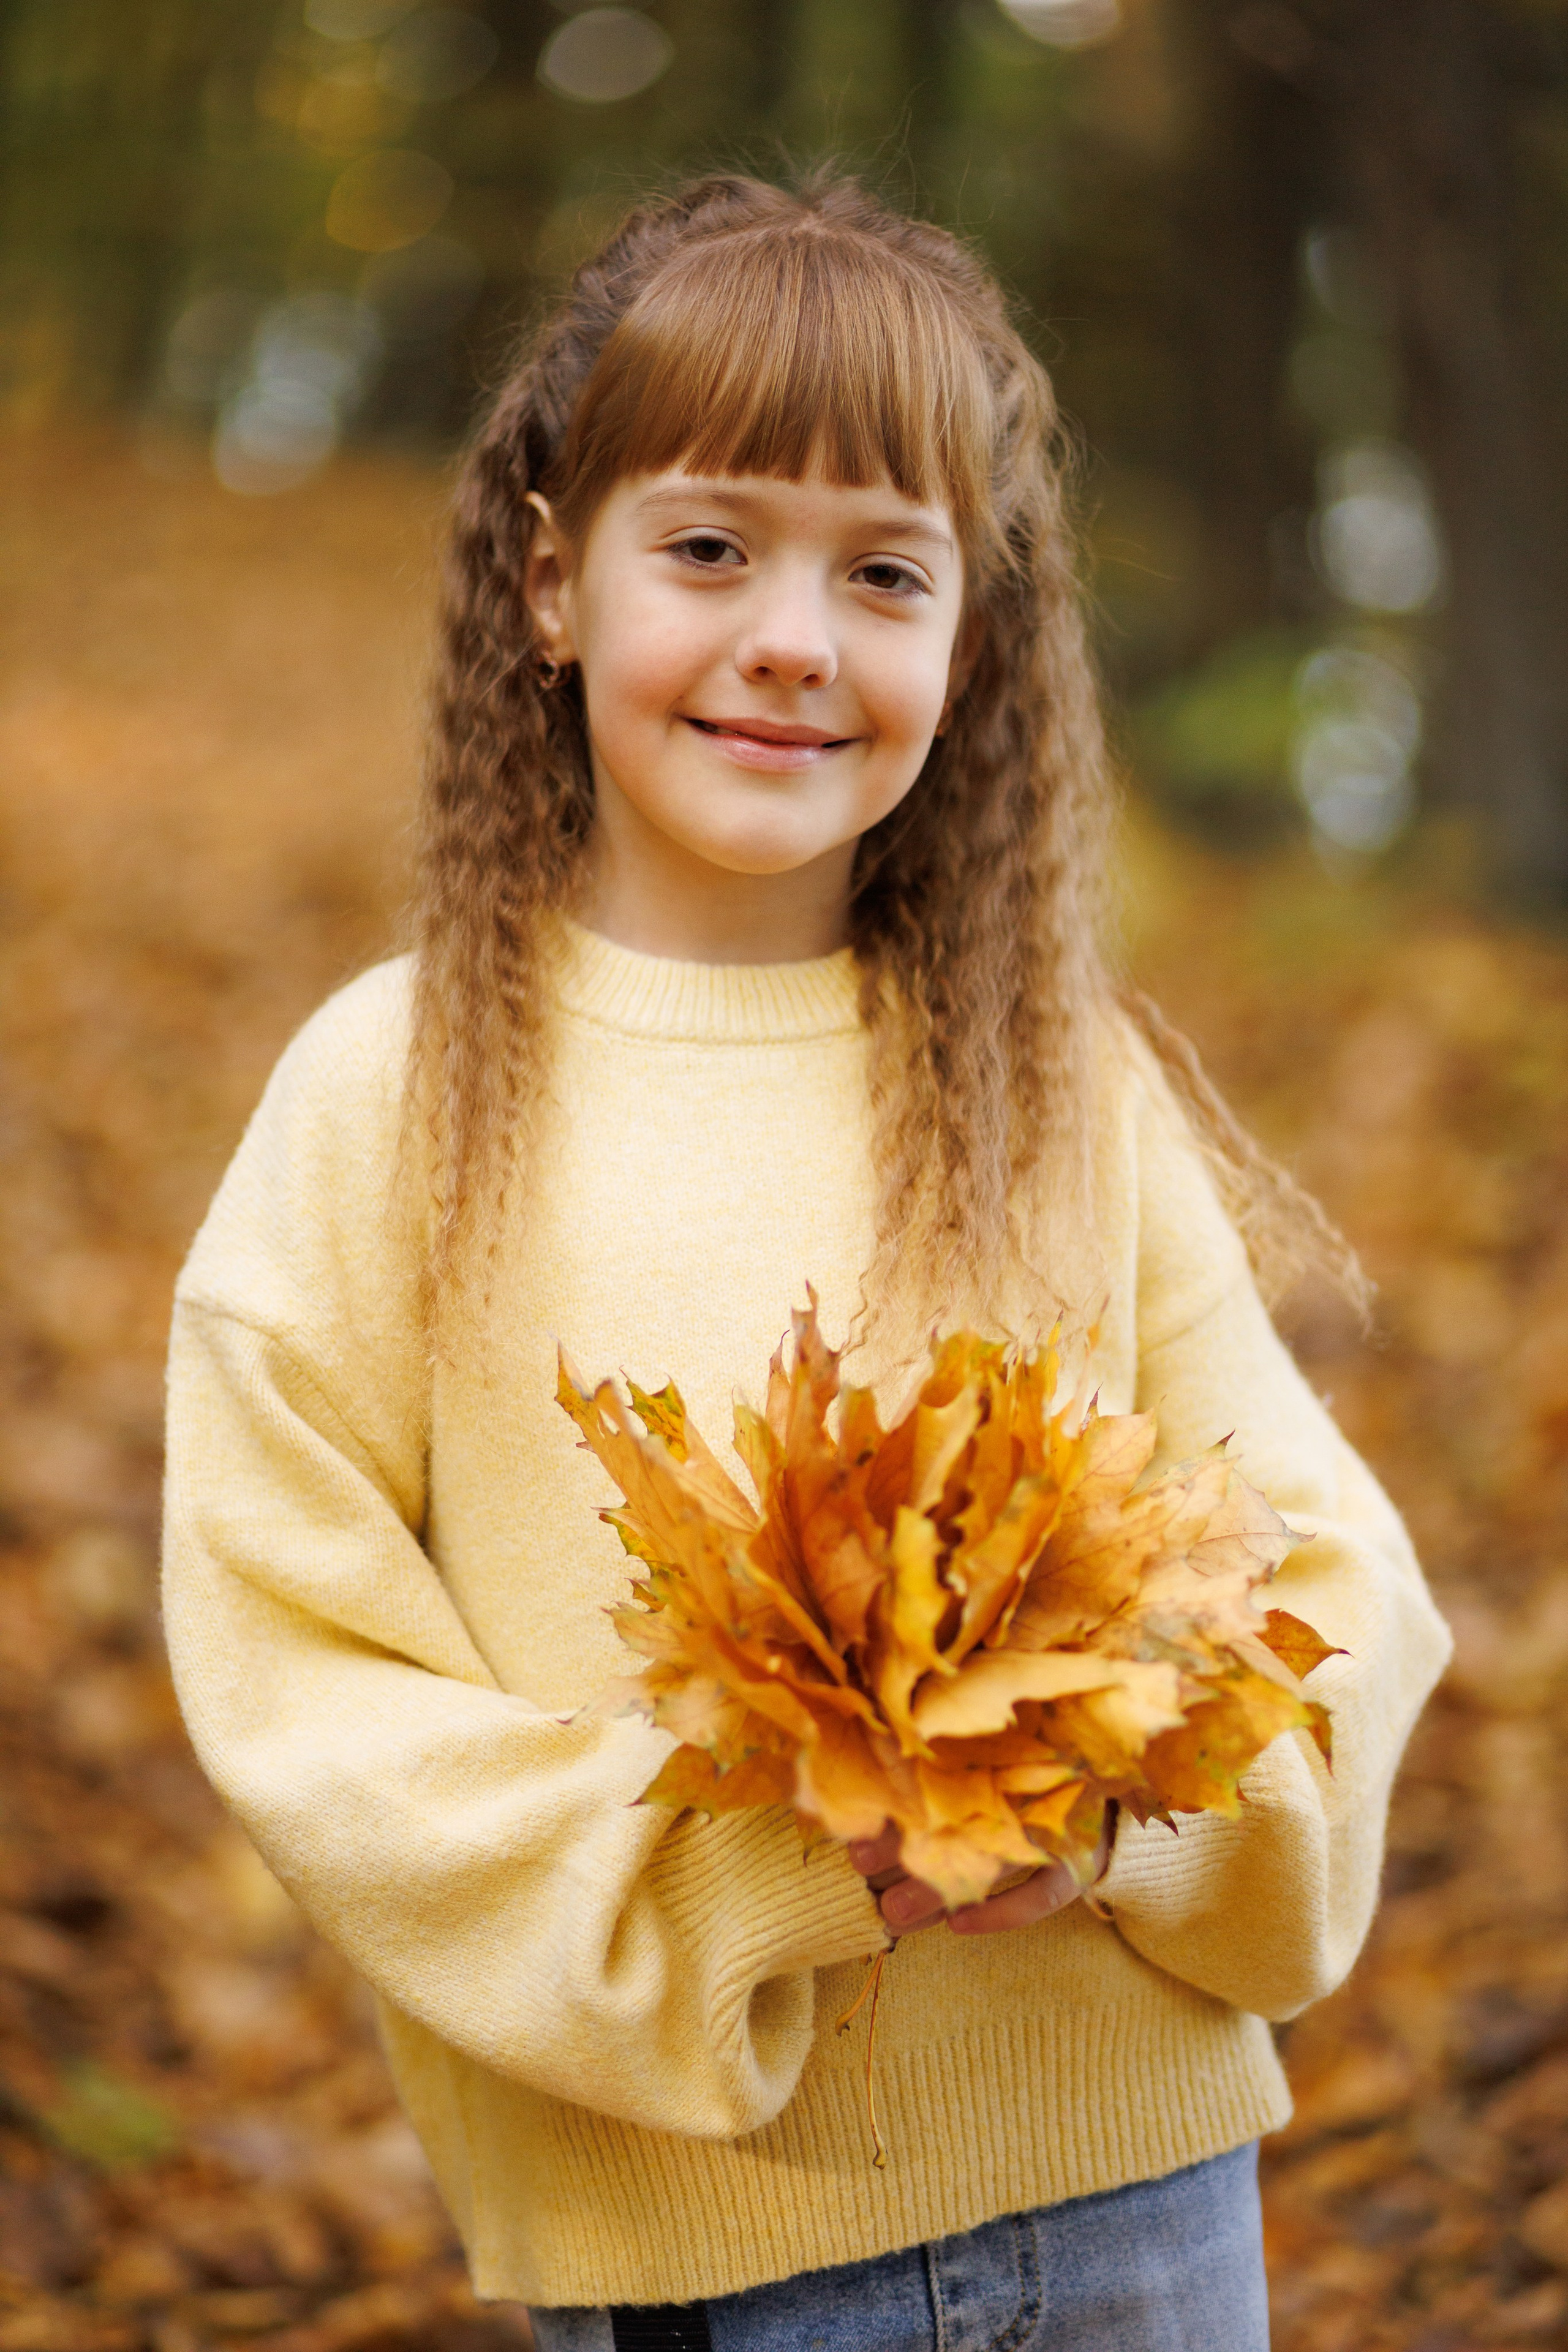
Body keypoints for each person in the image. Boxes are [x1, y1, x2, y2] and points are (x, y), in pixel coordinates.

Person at [161, 173, 1451, 2352]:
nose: (794, 638)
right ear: (555, 581)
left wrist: (1127, 1809)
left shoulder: (1055, 1079)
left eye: (884, 574)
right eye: (711, 548)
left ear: (973, 635)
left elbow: (1325, 1564)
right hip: (697, 2259)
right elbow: (299, 1668)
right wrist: (755, 1872)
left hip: (1136, 2204)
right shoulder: (394, 1093)